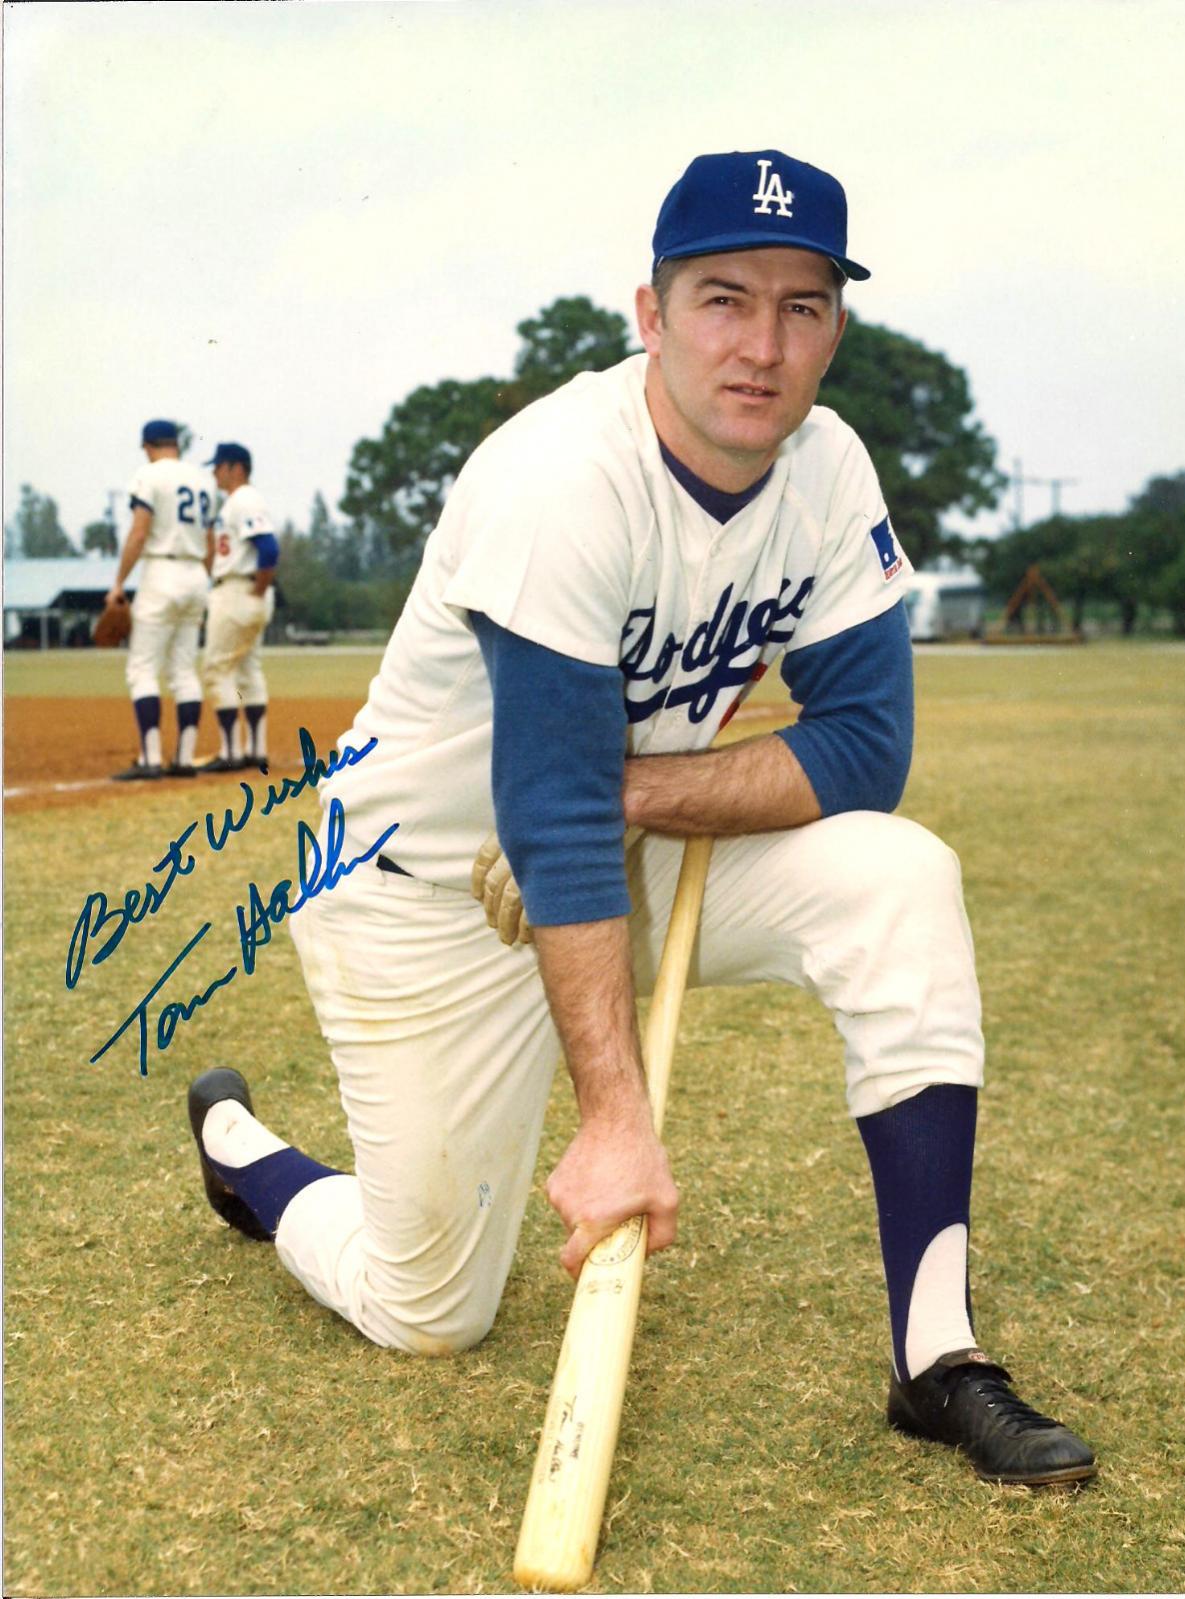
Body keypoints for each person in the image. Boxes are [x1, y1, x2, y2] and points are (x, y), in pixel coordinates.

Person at [186, 149, 1095, 1487]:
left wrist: (627, 792)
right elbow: (546, 820)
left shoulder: (828, 470)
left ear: (835, 330)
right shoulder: (559, 477)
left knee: (898, 877)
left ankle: (935, 1354)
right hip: (421, 888)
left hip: (610, 843)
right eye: (723, 299)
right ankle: (245, 1151)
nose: (760, 345)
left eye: (799, 306)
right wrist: (616, 1120)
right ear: (649, 314)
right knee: (427, 1308)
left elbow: (863, 747)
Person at [108, 419, 212, 780]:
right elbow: (209, 539)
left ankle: (151, 759)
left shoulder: (149, 475)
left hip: (162, 572)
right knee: (184, 670)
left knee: (142, 669)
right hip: (196, 573)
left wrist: (118, 583)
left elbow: (139, 533)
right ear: (176, 444)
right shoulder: (201, 479)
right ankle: (184, 759)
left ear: (148, 446)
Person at [200, 442, 279, 774]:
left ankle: (230, 752)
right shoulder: (236, 502)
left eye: (218, 466)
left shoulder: (244, 499)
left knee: (217, 669)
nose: (214, 472)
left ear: (236, 467)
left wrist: (257, 588)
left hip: (237, 590)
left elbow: (269, 548)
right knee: (247, 669)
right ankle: (256, 750)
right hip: (245, 589)